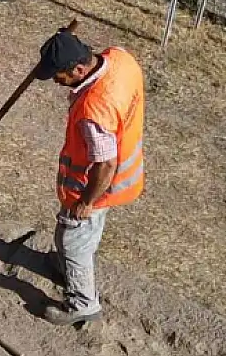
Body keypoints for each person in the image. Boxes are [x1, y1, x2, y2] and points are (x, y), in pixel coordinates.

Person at [35, 30, 146, 326]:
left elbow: (106, 164)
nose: (56, 82)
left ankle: (83, 304)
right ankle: (65, 266)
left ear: (79, 70)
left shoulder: (93, 109)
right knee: (76, 237)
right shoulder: (120, 58)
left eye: (59, 75)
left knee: (74, 241)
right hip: (120, 175)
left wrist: (86, 201)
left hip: (96, 188)